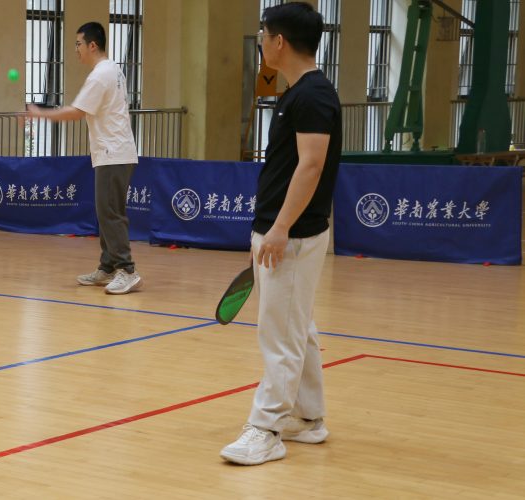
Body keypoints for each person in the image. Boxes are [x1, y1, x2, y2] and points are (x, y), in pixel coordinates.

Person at [220, 2, 342, 465]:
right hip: (281, 231)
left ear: (279, 41)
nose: (260, 43)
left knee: (280, 335)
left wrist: (280, 228)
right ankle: (308, 418)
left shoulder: (312, 96)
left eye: (263, 34)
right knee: (297, 326)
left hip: (291, 235)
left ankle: (266, 428)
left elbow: (311, 166)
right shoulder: (301, 92)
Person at [25, 22, 142, 295]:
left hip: (113, 154)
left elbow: (77, 112)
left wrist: (40, 113)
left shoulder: (100, 75)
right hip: (114, 153)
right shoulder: (112, 69)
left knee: (110, 213)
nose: (76, 49)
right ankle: (108, 267)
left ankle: (127, 270)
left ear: (92, 45)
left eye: (78, 44)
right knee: (106, 212)